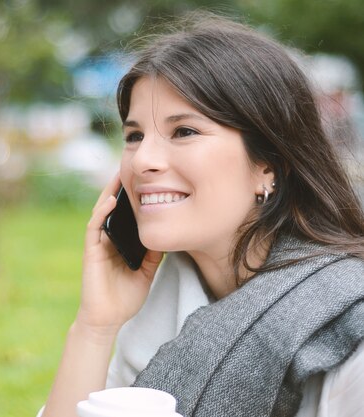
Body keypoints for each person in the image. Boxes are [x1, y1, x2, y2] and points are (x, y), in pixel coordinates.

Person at [39, 13, 364, 417]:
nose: (142, 161)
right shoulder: (159, 304)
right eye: (134, 136)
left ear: (268, 164)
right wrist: (95, 326)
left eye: (184, 131)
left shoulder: (350, 322)